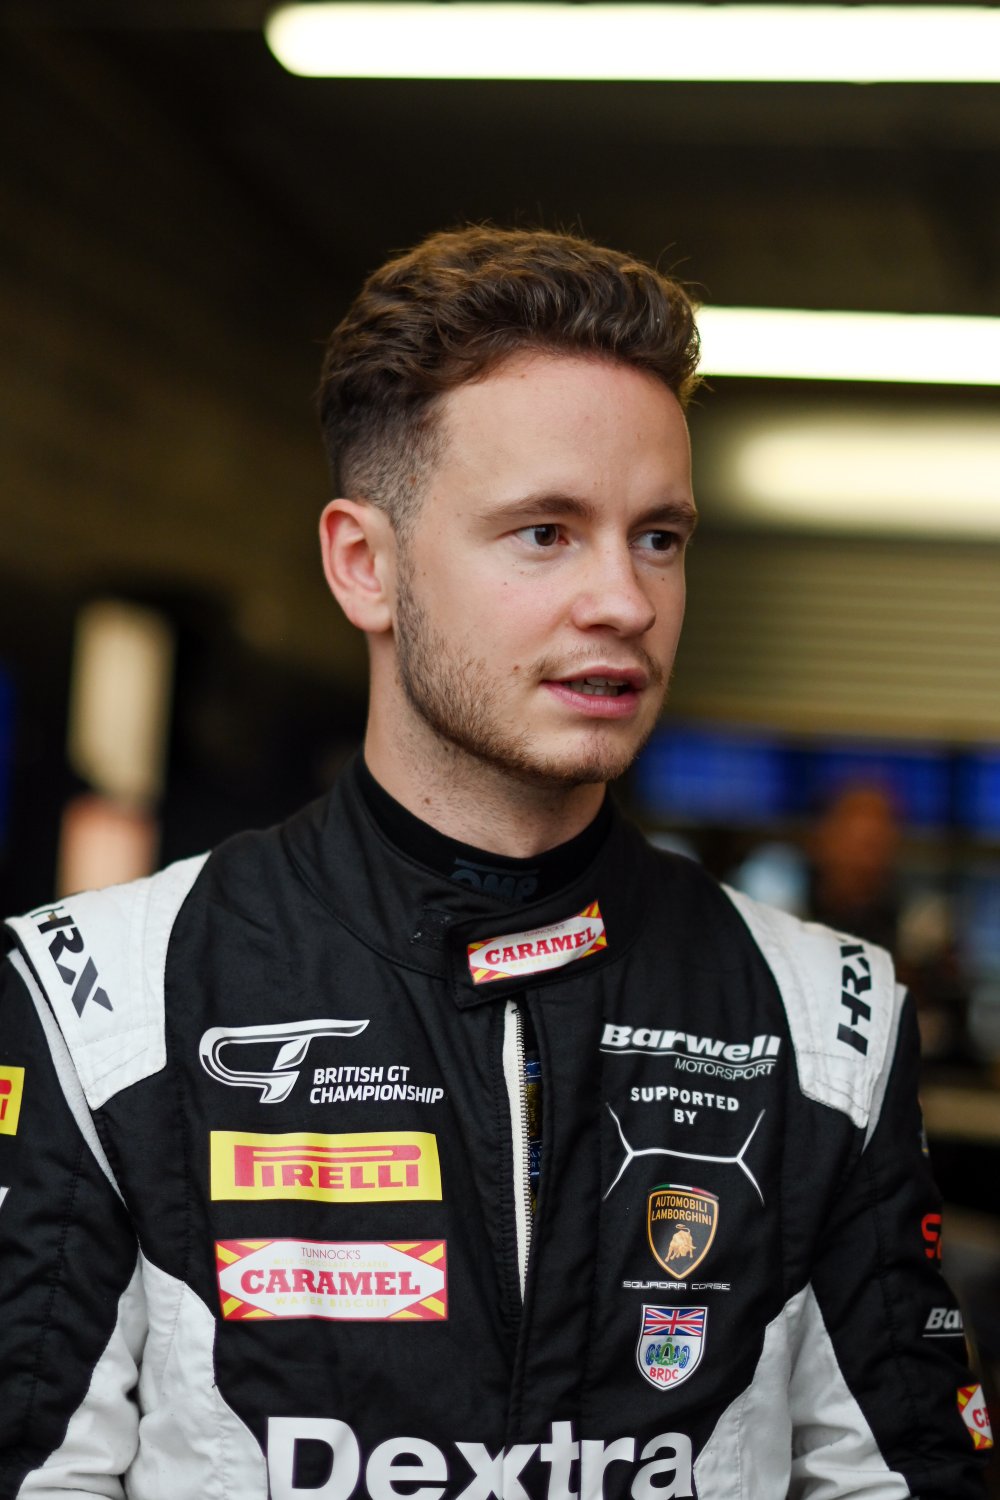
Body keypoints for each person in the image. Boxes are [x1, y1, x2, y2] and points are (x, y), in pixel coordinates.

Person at [0, 226, 991, 1500]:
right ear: (366, 566)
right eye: (544, 532)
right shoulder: (104, 994)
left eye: (658, 537)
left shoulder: (826, 1019)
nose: (624, 600)